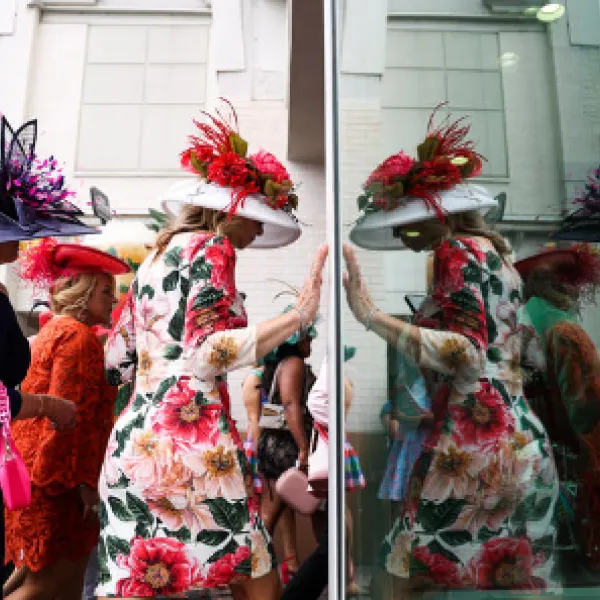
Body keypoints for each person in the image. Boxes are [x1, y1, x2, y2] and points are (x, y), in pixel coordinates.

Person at [96, 100, 327, 600]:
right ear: (231, 212)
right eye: (257, 218)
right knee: (251, 564)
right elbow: (208, 354)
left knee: (144, 578)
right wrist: (299, 315)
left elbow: (117, 360)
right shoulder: (213, 247)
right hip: (193, 445)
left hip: (134, 446)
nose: (260, 230)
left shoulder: (155, 257)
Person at [344, 106, 560, 597]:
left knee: (405, 571)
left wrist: (373, 316)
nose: (398, 232)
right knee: (513, 574)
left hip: (470, 440)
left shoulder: (455, 251)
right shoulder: (501, 260)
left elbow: (465, 351)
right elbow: (531, 358)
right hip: (518, 436)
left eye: (404, 221)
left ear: (434, 216)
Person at [3, 239, 130, 600]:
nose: (113, 300)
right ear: (84, 294)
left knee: (58, 588)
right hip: (57, 485)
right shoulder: (77, 338)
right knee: (49, 588)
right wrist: (83, 487)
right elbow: (68, 419)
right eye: (106, 291)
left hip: (38, 478)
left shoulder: (53, 331)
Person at [516, 244, 600, 586]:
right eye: (568, 281)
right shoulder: (565, 332)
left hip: (540, 451)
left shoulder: (524, 326)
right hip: (577, 459)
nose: (575, 289)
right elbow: (583, 409)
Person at [252, 305, 317, 583]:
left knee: (273, 513)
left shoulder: (276, 365)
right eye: (307, 337)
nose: (310, 342)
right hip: (285, 448)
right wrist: (303, 447)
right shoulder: (294, 364)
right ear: (296, 339)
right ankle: (250, 570)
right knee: (269, 516)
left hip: (274, 443)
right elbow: (291, 405)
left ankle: (261, 568)